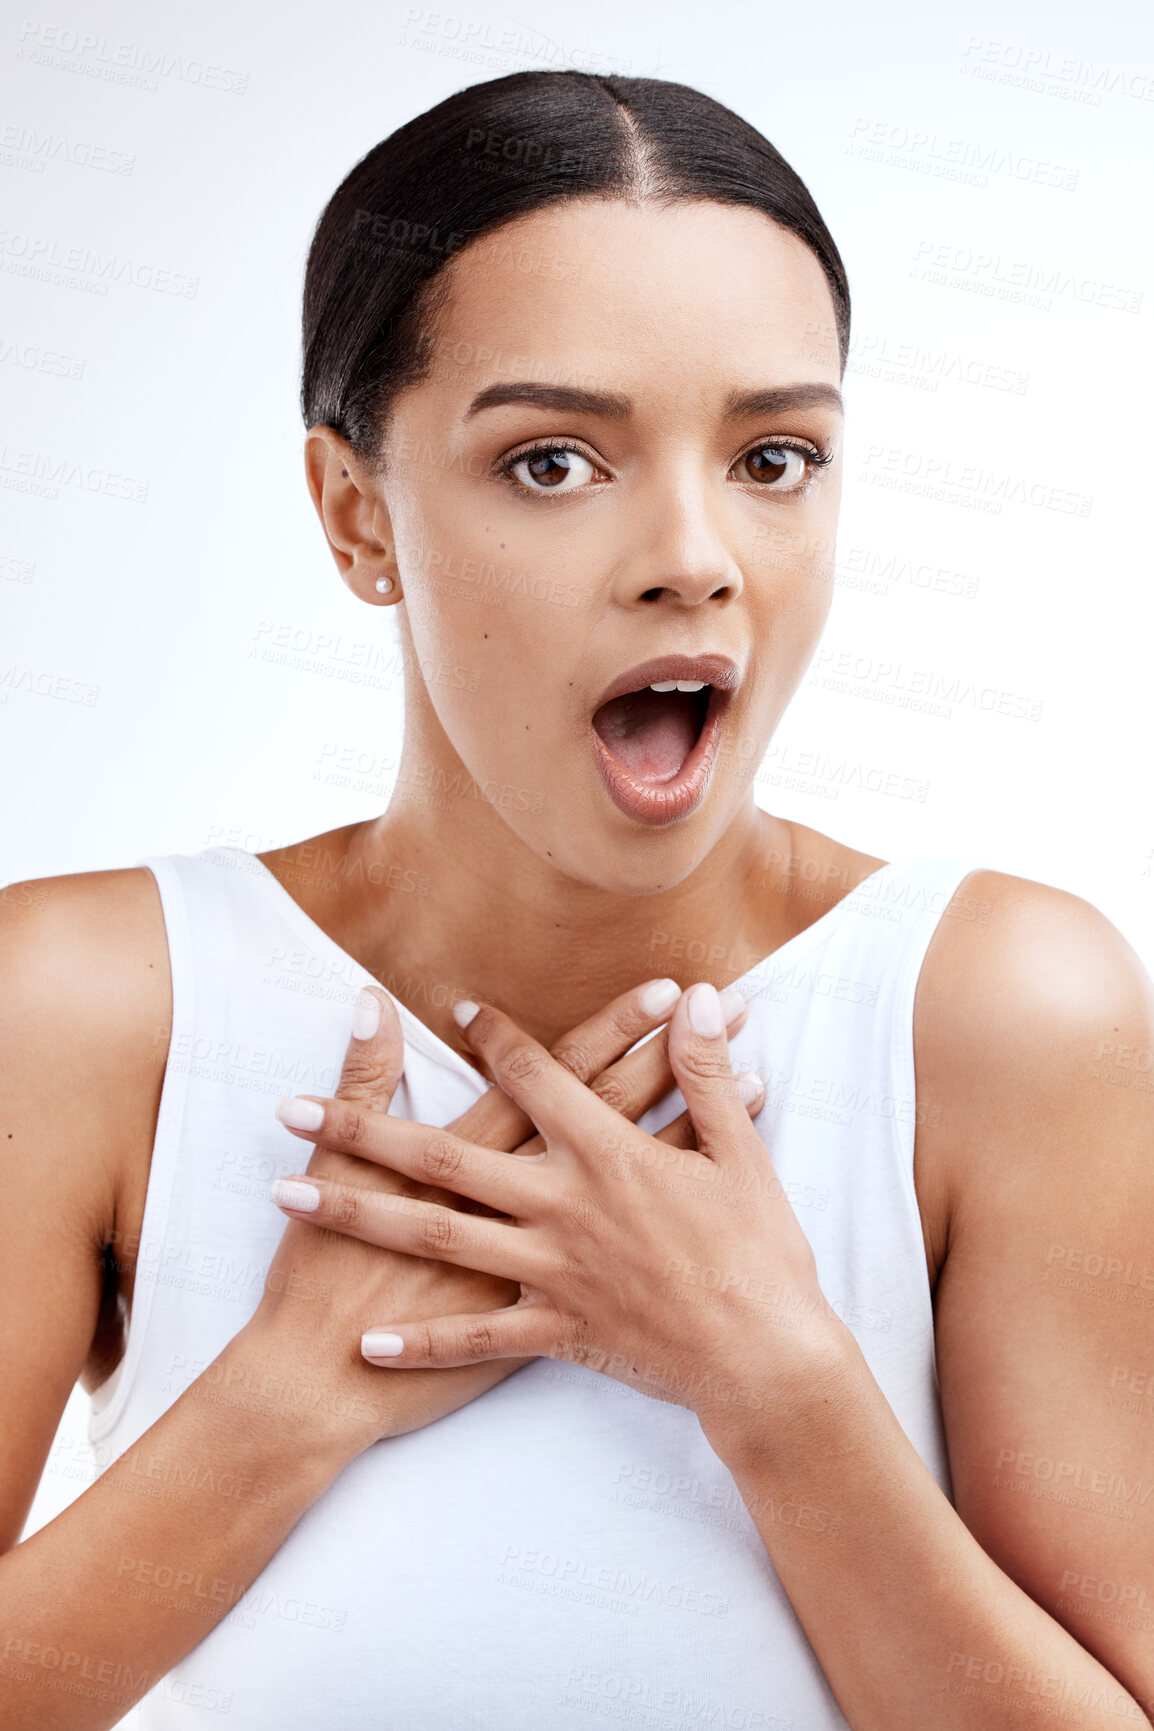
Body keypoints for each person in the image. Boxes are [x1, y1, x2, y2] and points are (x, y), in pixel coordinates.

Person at [2, 67, 1152, 1731]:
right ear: (354, 515)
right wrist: (289, 1394)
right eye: (551, 461)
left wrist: (774, 1382)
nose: (693, 554)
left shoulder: (1005, 1013)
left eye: (772, 456)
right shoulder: (89, 1005)